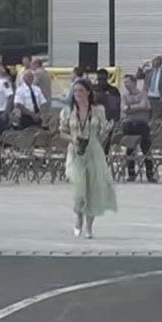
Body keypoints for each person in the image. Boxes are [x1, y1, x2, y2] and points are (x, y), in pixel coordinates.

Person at [61, 81, 118, 239]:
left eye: (80, 91)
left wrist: (107, 130)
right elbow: (62, 132)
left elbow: (102, 132)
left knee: (92, 189)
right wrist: (73, 139)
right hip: (76, 152)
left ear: (88, 92)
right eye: (75, 91)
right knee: (80, 188)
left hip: (93, 150)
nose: (77, 94)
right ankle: (78, 216)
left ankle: (89, 226)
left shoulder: (98, 110)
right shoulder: (68, 111)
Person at [119, 76, 155, 182]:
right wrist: (136, 107)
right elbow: (124, 108)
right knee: (130, 149)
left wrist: (130, 108)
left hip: (142, 124)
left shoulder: (142, 94)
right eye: (124, 82)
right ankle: (131, 173)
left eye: (127, 82)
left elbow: (145, 105)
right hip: (129, 124)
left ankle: (150, 174)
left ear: (134, 82)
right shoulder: (124, 96)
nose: (125, 85)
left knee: (146, 149)